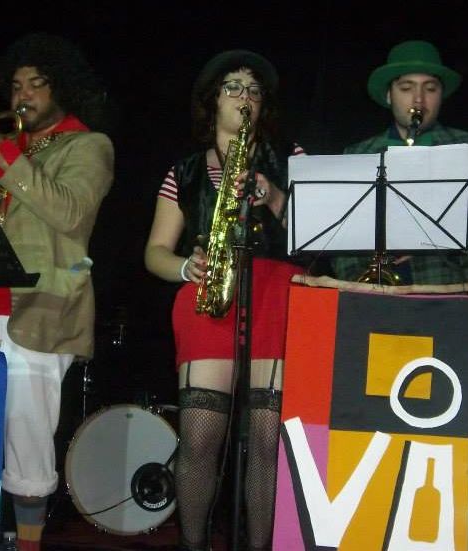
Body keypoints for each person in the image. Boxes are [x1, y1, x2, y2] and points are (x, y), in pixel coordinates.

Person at [0, 33, 113, 551]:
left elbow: (70, 212)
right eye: (17, 85)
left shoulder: (89, 145)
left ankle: (30, 542)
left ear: (63, 89)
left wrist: (3, 155)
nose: (24, 95)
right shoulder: (6, 148)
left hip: (37, 308)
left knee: (26, 443)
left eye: (38, 84)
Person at [329, 39, 468, 546]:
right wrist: (371, 260)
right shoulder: (358, 155)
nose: (418, 99)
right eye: (406, 88)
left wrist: (431, 236)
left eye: (429, 88)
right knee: (380, 441)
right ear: (389, 96)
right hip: (378, 314)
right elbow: (336, 249)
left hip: (452, 310)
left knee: (452, 446)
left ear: (441, 96)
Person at [144, 49, 304, 551]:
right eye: (232, 87)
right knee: (198, 439)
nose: (244, 97)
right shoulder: (185, 170)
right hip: (209, 295)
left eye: (253, 90)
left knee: (267, 441)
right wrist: (184, 267)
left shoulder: (290, 159)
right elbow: (154, 252)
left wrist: (273, 196)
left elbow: (319, 235)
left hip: (277, 294)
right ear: (213, 100)